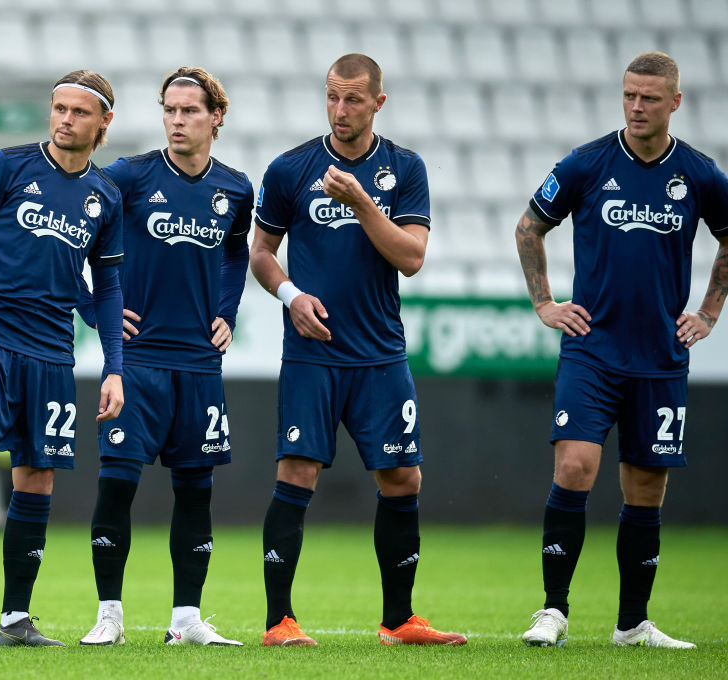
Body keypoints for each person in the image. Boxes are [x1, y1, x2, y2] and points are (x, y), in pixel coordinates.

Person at [249, 53, 466, 647]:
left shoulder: (405, 168)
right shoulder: (290, 168)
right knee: (296, 471)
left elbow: (412, 258)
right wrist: (291, 295)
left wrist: (362, 202)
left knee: (402, 477)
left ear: (377, 103)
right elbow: (261, 253)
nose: (340, 109)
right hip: (312, 354)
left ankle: (399, 621)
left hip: (379, 355)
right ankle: (278, 621)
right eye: (332, 96)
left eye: (352, 99)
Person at [516, 52, 728, 649]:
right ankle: (553, 611)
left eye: (649, 98)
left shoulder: (700, 174)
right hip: (593, 350)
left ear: (675, 102)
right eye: (629, 95)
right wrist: (544, 303)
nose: (636, 107)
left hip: (660, 356)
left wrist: (709, 311)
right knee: (574, 466)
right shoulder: (587, 163)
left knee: (647, 488)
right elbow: (529, 226)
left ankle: (632, 624)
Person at [0, 70, 125, 648]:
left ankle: (15, 618)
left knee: (37, 476)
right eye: (59, 108)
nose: (65, 120)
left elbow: (107, 286)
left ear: (104, 122)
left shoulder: (106, 197)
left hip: (54, 352)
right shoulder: (9, 165)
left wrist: (115, 368)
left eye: (79, 112)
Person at [75, 67, 252, 647]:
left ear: (216, 117)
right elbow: (71, 229)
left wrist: (227, 310)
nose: (177, 121)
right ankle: (109, 616)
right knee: (116, 486)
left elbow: (236, 254)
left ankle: (186, 620)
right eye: (169, 110)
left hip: (199, 366)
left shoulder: (235, 188)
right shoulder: (129, 176)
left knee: (196, 491)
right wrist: (92, 306)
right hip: (136, 362)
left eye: (189, 111)